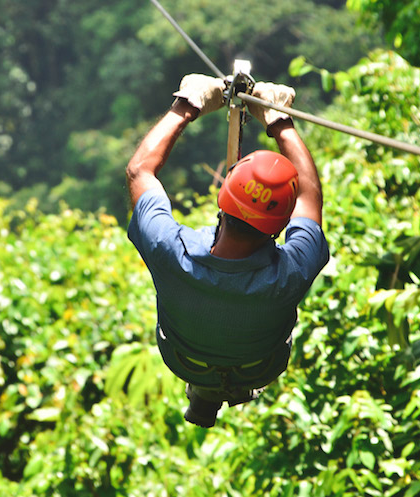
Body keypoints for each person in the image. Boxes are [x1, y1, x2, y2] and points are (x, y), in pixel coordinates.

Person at [126, 74, 329, 428]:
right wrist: (279, 120)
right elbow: (309, 194)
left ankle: (205, 392)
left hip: (184, 358)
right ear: (281, 225)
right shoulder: (289, 273)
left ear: (223, 200)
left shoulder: (170, 251)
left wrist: (188, 104)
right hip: (259, 366)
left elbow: (139, 170)